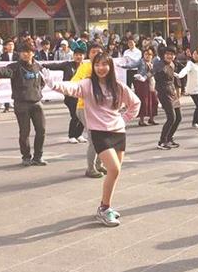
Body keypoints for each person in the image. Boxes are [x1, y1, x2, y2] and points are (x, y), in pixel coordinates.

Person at [44, 53, 140, 227]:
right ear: (93, 67)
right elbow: (70, 88)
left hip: (118, 133)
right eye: (97, 65)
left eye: (104, 64)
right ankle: (104, 208)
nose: (101, 68)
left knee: (114, 173)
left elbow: (135, 103)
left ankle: (104, 207)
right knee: (114, 169)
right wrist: (53, 84)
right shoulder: (88, 85)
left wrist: (124, 119)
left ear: (110, 67)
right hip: (99, 133)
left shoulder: (118, 86)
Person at [0, 42, 48, 166]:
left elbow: (42, 82)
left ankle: (38, 157)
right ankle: (26, 157)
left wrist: (37, 91)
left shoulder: (38, 67)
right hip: (21, 104)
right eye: (23, 51)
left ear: (33, 53)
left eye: (28, 51)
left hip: (37, 103)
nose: (26, 54)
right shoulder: (15, 67)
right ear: (19, 53)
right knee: (24, 132)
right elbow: (3, 71)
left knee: (41, 130)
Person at [71, 43, 108, 177]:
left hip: (101, 107)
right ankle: (90, 169)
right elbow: (74, 83)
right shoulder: (85, 67)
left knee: (103, 137)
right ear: (89, 54)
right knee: (94, 139)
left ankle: (100, 164)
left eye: (99, 51)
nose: (96, 54)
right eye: (93, 52)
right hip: (85, 107)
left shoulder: (106, 66)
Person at [41, 47, 85, 143]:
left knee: (83, 116)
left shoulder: (85, 67)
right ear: (73, 56)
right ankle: (72, 136)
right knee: (75, 115)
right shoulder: (68, 65)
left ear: (84, 56)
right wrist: (42, 65)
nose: (78, 57)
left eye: (80, 55)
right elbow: (55, 66)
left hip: (81, 95)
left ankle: (79, 134)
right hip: (69, 95)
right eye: (76, 55)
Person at [118, 47, 159, 127]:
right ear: (143, 55)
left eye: (150, 54)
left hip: (151, 82)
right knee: (143, 101)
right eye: (146, 54)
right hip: (141, 83)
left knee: (154, 100)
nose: (148, 56)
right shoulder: (141, 61)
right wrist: (122, 65)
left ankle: (151, 119)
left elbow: (155, 72)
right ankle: (141, 120)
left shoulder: (153, 62)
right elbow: (131, 65)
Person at [153, 46, 182, 150]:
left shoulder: (172, 64)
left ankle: (169, 138)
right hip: (164, 93)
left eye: (172, 54)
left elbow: (173, 78)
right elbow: (152, 74)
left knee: (178, 117)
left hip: (172, 91)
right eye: (167, 54)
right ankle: (162, 141)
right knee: (171, 118)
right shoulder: (159, 65)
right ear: (163, 55)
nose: (170, 56)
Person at [178, 49, 198, 128]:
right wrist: (180, 75)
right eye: (194, 54)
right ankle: (194, 122)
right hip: (193, 88)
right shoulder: (190, 63)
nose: (195, 56)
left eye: (197, 54)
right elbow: (185, 70)